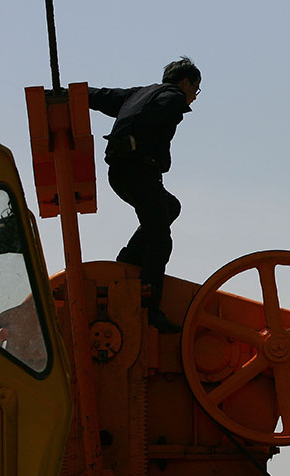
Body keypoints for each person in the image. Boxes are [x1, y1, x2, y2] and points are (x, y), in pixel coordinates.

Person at [87, 57, 201, 332]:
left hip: (119, 173)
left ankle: (128, 261)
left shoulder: (141, 93)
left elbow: (104, 97)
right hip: (139, 171)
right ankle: (148, 308)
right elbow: (152, 116)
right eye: (195, 90)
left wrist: (69, 94)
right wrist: (134, 142)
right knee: (160, 240)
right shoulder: (173, 97)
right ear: (186, 82)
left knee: (169, 207)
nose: (194, 98)